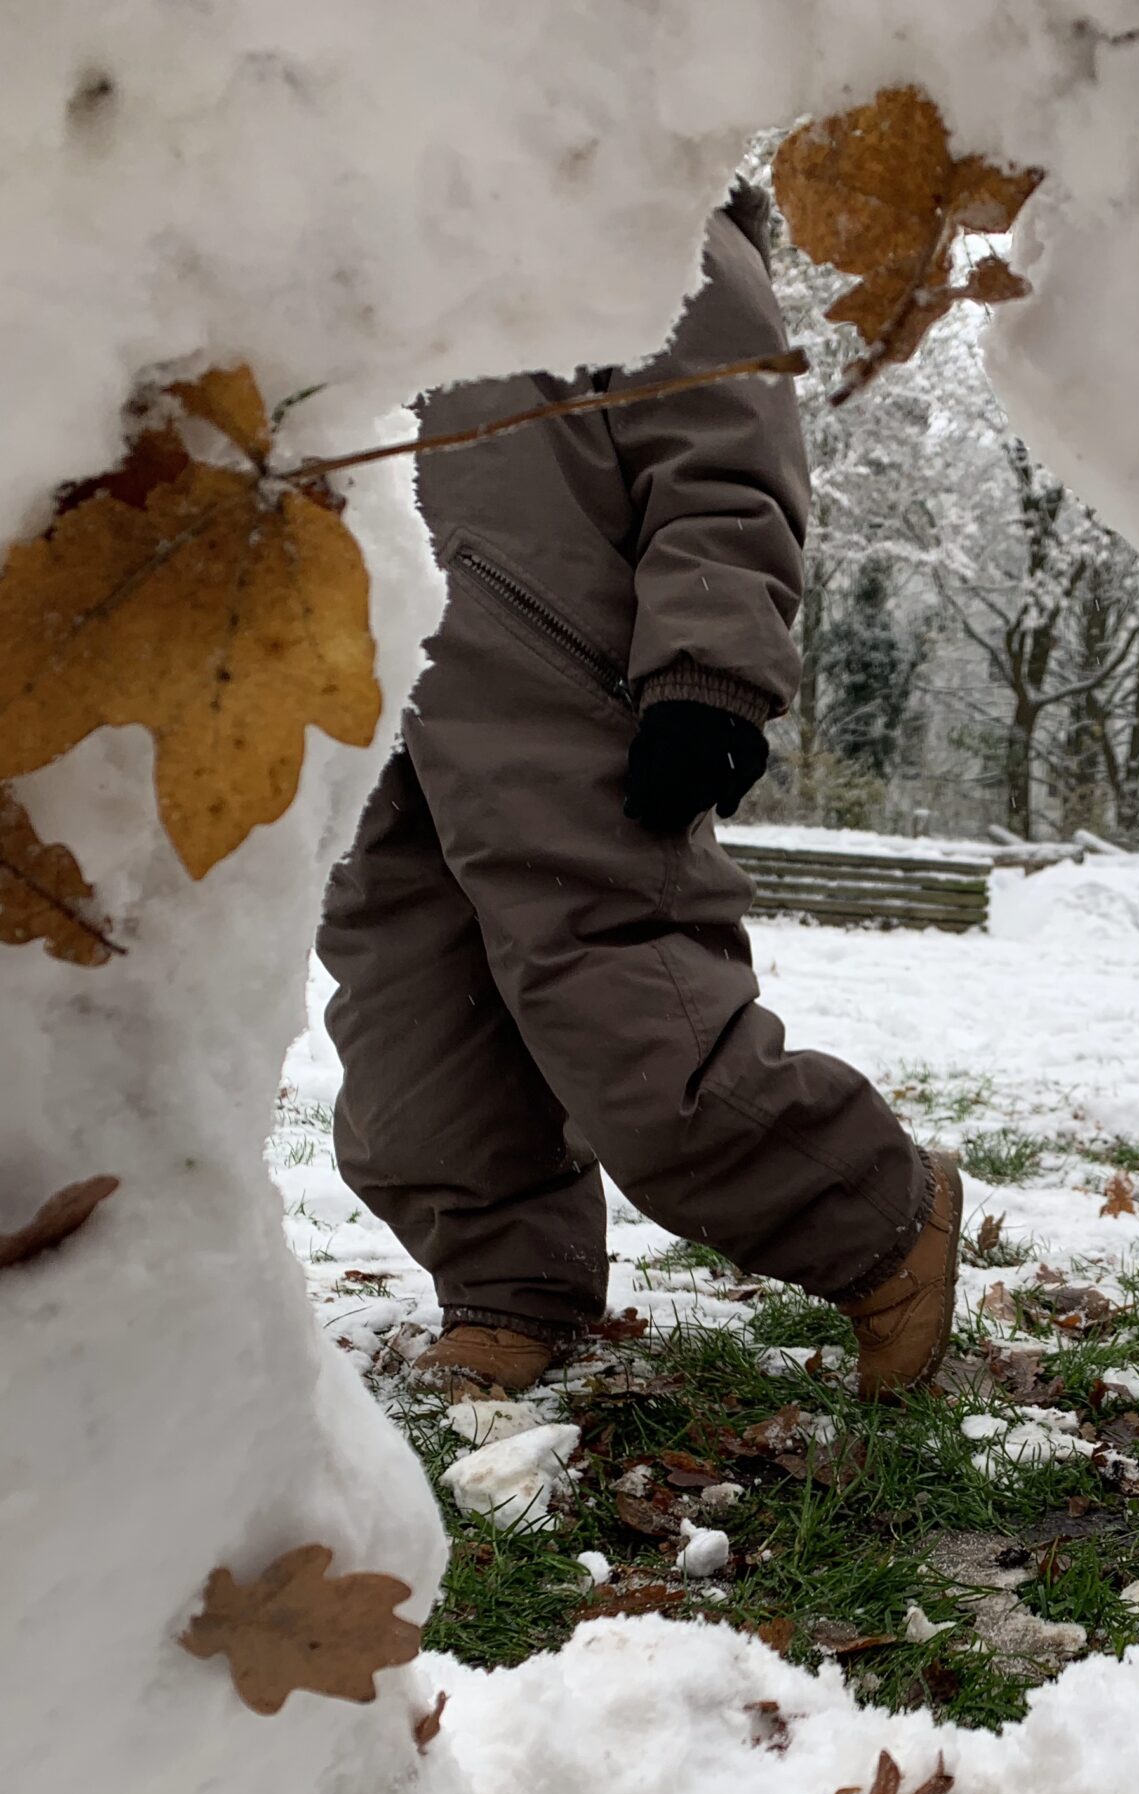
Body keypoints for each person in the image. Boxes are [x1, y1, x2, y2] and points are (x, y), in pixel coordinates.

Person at [318, 185, 961, 1401]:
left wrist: (710, 670)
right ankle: (506, 1283)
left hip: (563, 688)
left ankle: (877, 1217)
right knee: (411, 1026)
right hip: (360, 689)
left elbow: (727, 460)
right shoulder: (339, 214)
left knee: (631, 1021)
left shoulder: (639, 205)